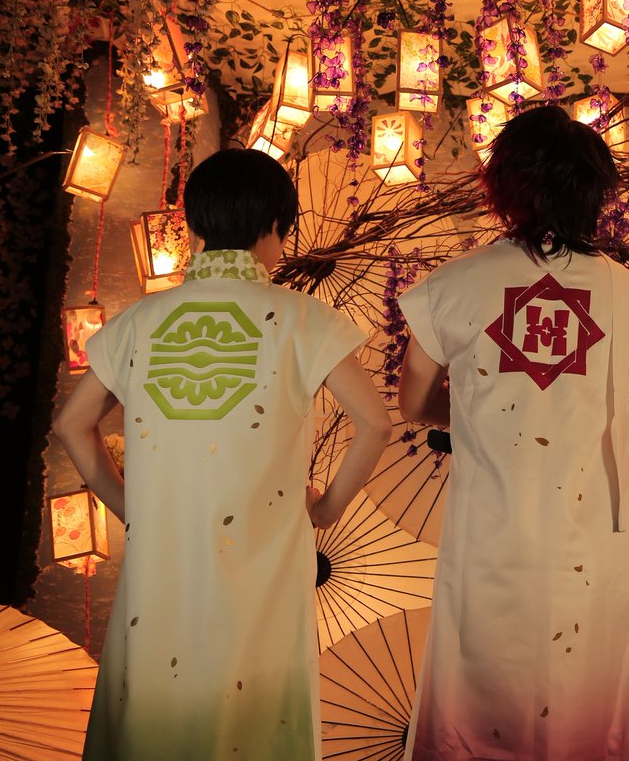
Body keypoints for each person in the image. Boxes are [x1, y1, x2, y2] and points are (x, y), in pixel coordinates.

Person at [54, 148, 392, 760]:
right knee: (255, 708)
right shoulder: (304, 319)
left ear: (195, 225)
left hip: (162, 555)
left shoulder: (140, 319)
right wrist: (325, 510)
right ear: (276, 226)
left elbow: (72, 425)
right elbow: (374, 424)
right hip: (265, 555)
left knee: (155, 699)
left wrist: (131, 507)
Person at [397, 105, 629, 760]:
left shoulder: (453, 285)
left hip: (490, 537)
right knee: (594, 698)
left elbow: (414, 401)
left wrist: (475, 415)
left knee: (482, 696)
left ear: (503, 185)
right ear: (594, 191)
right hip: (595, 541)